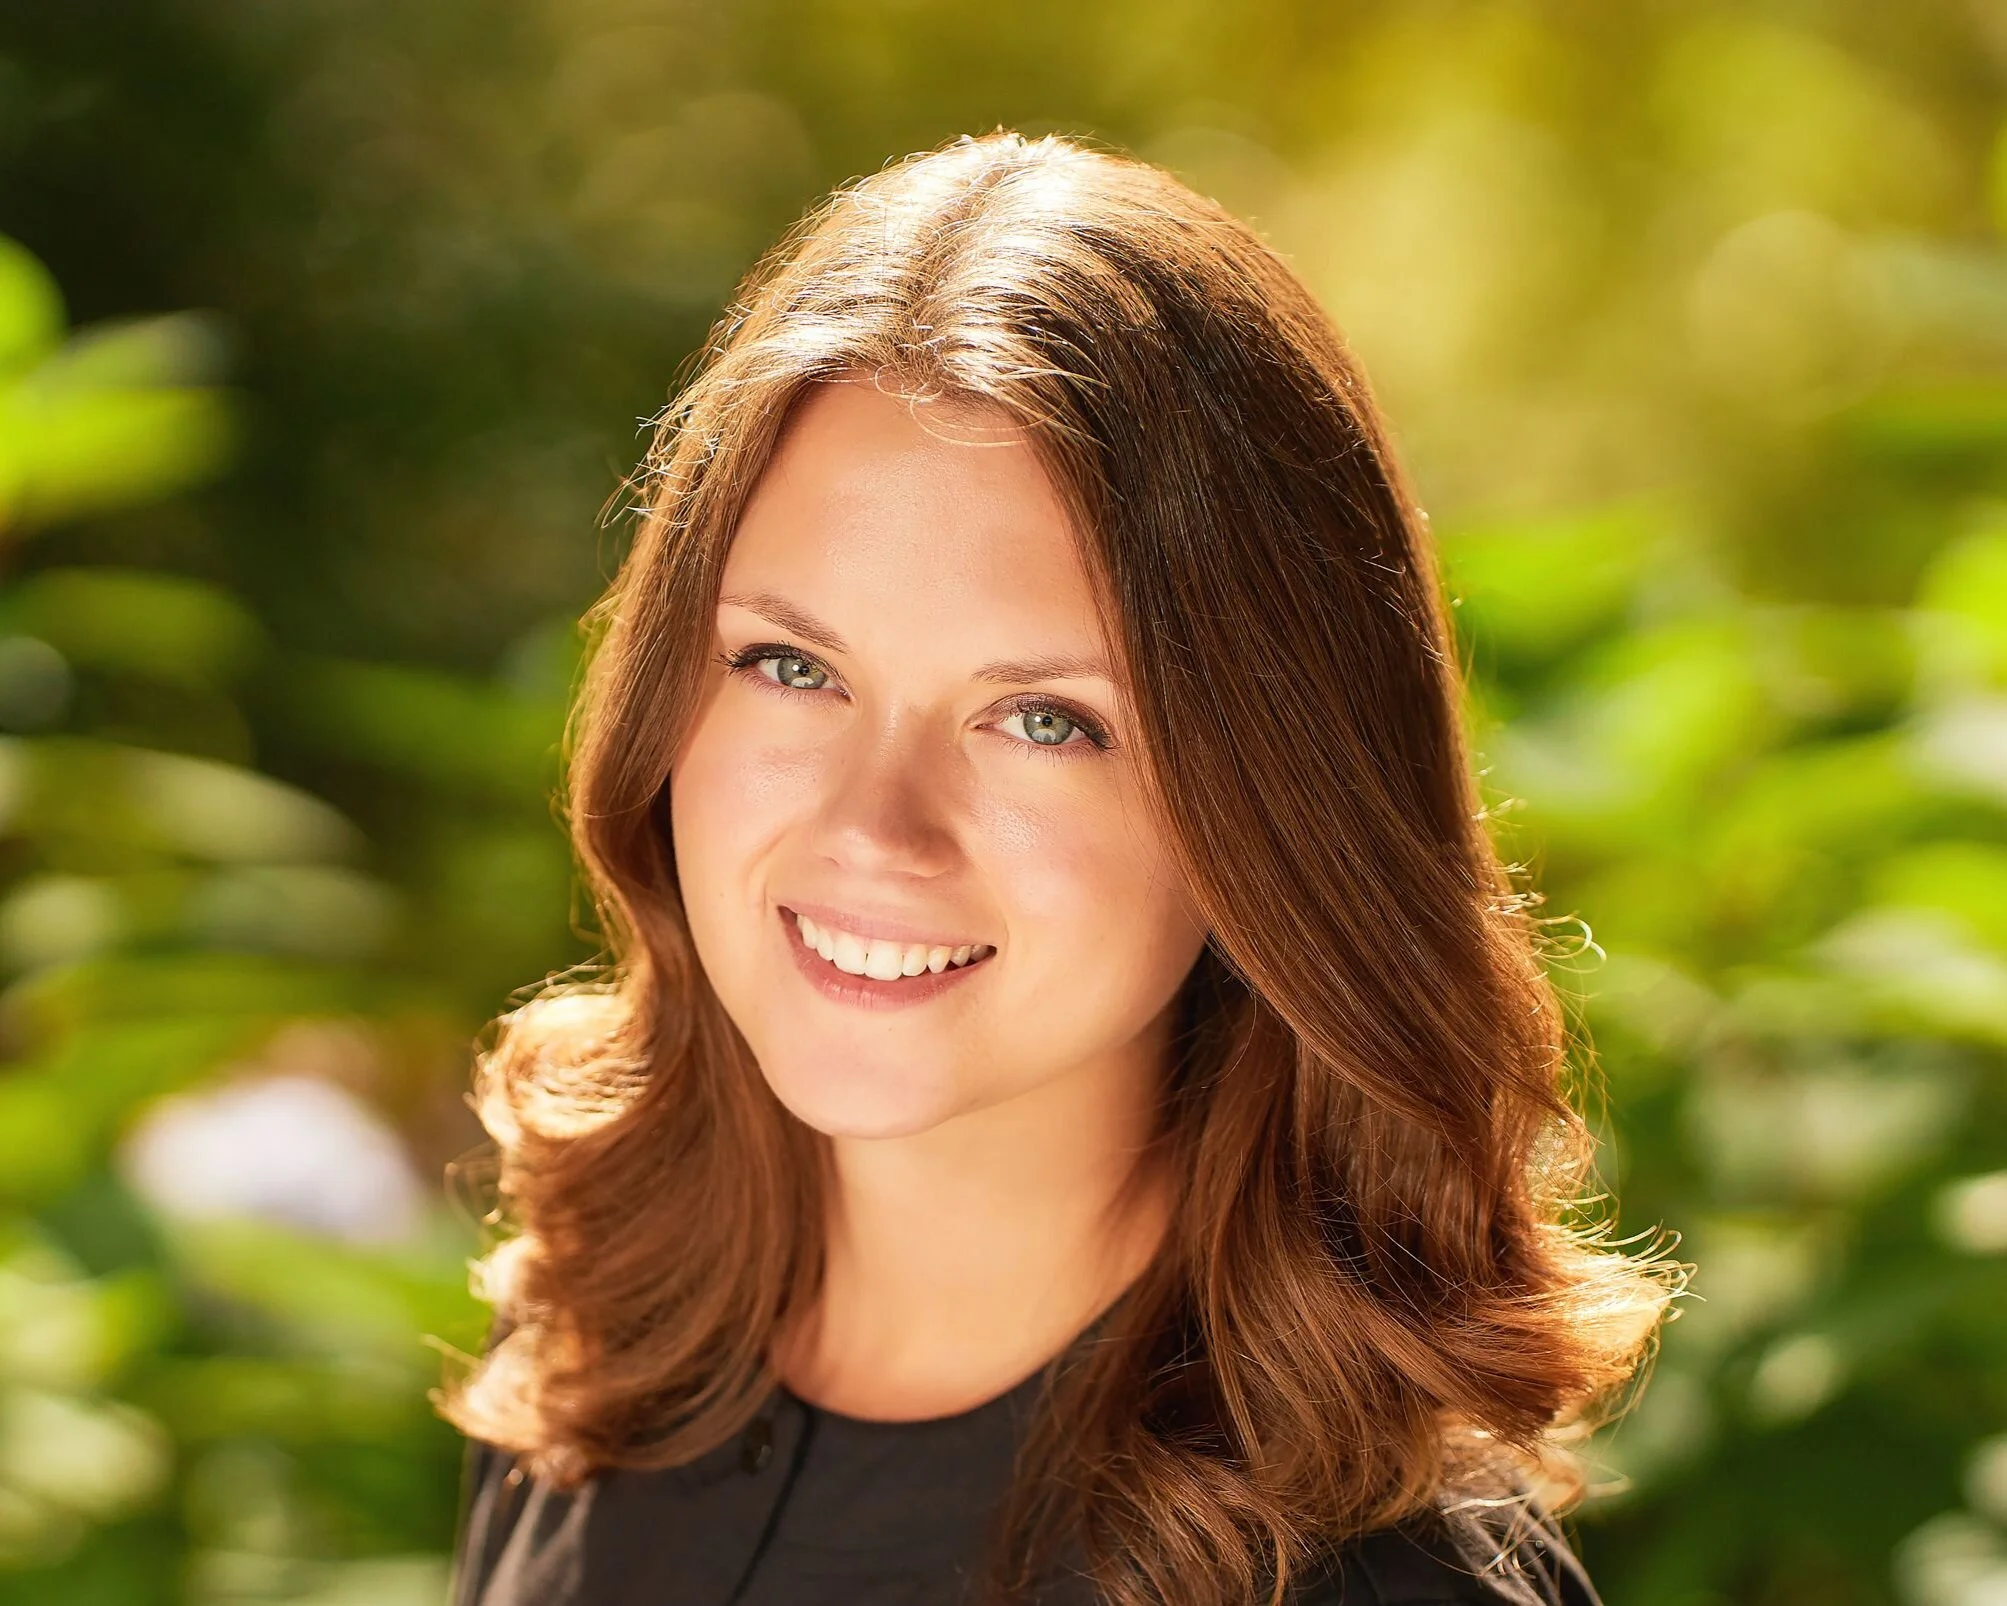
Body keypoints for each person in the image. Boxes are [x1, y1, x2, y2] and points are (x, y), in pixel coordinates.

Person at [438, 129, 1676, 1606]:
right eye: (788, 663)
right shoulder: (588, 1364)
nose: (873, 827)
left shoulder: (1367, 1579)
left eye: (1043, 719)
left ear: (1272, 802)